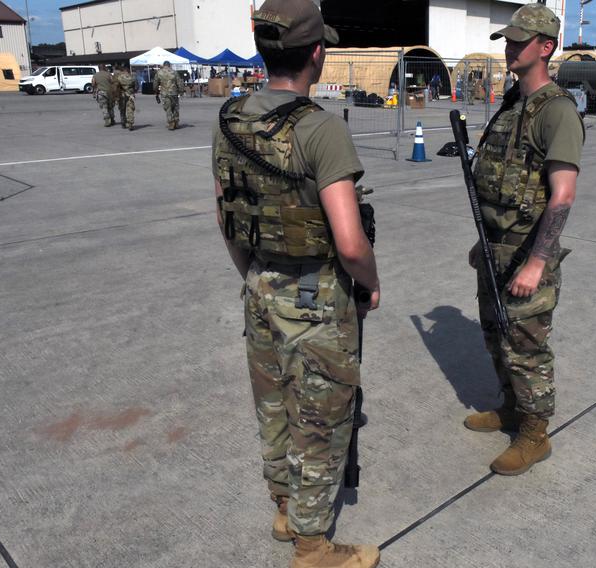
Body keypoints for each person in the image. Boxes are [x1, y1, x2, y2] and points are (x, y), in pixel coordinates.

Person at [211, 1, 381, 566]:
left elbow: (226, 216)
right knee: (320, 421)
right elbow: (351, 243)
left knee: (275, 407)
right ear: (316, 53)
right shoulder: (320, 128)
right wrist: (371, 284)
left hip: (259, 286)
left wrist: (255, 277)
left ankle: (284, 509)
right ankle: (312, 546)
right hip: (316, 297)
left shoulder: (232, 120)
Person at [464, 2, 585, 476]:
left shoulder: (556, 112)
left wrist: (537, 262)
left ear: (546, 47)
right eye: (509, 40)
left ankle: (535, 434)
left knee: (527, 346)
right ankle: (511, 407)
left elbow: (562, 195)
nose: (510, 48)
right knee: (496, 335)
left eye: (519, 41)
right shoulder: (514, 103)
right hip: (495, 248)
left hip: (526, 251)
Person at [154, 60, 184, 130]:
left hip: (165, 93)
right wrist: (181, 91)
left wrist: (156, 92)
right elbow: (179, 82)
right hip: (174, 93)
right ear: (169, 65)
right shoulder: (174, 72)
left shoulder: (159, 72)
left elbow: (155, 83)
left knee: (168, 108)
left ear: (163, 65)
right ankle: (176, 122)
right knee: (175, 107)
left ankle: (171, 123)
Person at [114, 64, 137, 130]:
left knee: (122, 109)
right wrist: (132, 91)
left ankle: (123, 123)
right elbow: (136, 87)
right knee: (130, 109)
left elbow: (116, 87)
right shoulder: (132, 77)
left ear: (123, 71)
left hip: (122, 95)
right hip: (130, 95)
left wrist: (116, 96)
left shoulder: (119, 77)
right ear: (128, 71)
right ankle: (130, 124)